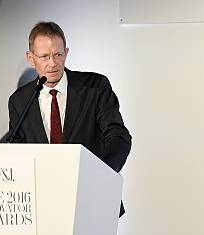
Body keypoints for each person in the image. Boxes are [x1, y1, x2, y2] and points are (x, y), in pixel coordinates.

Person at [8, 21, 131, 215]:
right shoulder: (19, 101)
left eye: (58, 55)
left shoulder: (95, 87)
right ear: (30, 58)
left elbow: (119, 137)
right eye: (44, 56)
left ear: (66, 52)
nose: (53, 63)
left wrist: (101, 174)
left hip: (93, 200)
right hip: (43, 206)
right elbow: (17, 149)